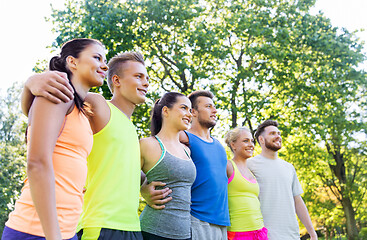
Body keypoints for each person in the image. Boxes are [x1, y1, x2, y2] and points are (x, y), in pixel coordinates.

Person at [17, 52, 154, 240]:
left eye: (147, 78)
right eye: (138, 76)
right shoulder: (97, 105)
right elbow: (46, 113)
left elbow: (117, 165)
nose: (146, 83)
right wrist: (31, 84)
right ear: (116, 80)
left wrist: (144, 184)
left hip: (132, 227)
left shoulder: (131, 128)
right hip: (100, 226)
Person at [2, 38, 108, 240]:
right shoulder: (58, 92)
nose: (105, 65)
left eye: (105, 59)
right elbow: (37, 163)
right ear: (72, 62)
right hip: (36, 231)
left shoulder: (79, 109)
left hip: (66, 231)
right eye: (97, 57)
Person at [142, 90, 230, 240]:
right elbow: (134, 171)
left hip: (214, 223)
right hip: (190, 221)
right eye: (208, 106)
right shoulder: (182, 138)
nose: (214, 110)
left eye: (189, 109)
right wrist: (143, 189)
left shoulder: (206, 147)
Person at [247, 120, 318, 240]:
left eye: (279, 133)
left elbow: (297, 200)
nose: (278, 136)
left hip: (292, 235)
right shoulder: (250, 165)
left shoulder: (289, 167)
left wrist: (312, 232)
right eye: (272, 133)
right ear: (261, 139)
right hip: (265, 235)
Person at [139, 92, 196, 240]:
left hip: (184, 233)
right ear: (165, 111)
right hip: (154, 231)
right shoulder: (147, 144)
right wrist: (143, 189)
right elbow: (126, 177)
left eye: (190, 110)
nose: (189, 114)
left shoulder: (186, 150)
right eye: (184, 108)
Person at [224, 127, 268, 240]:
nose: (251, 144)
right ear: (233, 144)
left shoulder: (251, 171)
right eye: (245, 141)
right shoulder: (228, 166)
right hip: (239, 233)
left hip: (260, 231)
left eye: (252, 141)